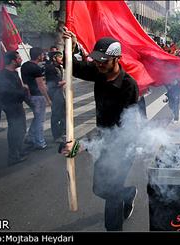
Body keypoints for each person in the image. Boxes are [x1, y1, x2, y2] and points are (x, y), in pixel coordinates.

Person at [60, 27, 139, 231]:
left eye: (104, 61)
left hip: (123, 144)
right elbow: (73, 67)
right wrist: (72, 45)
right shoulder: (98, 71)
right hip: (103, 140)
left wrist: (83, 144)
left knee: (111, 192)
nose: (99, 64)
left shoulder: (128, 86)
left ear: (117, 59)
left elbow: (120, 129)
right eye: (96, 60)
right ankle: (128, 193)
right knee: (99, 188)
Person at [0, 51, 29, 165]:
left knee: (21, 129)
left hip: (17, 104)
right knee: (15, 130)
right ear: (12, 61)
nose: (21, 59)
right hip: (11, 106)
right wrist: (24, 89)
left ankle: (19, 151)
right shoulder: (4, 75)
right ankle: (13, 156)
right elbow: (10, 92)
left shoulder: (14, 73)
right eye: (19, 58)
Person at [21, 47, 51, 150]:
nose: (44, 56)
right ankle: (40, 142)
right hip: (37, 96)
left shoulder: (24, 65)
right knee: (40, 120)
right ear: (39, 56)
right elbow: (41, 86)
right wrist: (48, 99)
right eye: (42, 54)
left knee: (36, 118)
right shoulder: (36, 68)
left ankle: (30, 137)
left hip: (28, 96)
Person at [45, 51, 66, 143]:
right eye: (60, 57)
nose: (62, 59)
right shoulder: (50, 68)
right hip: (54, 93)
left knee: (63, 114)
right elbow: (53, 83)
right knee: (56, 115)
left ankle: (62, 132)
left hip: (60, 92)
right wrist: (65, 82)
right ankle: (56, 136)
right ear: (54, 58)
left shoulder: (59, 67)